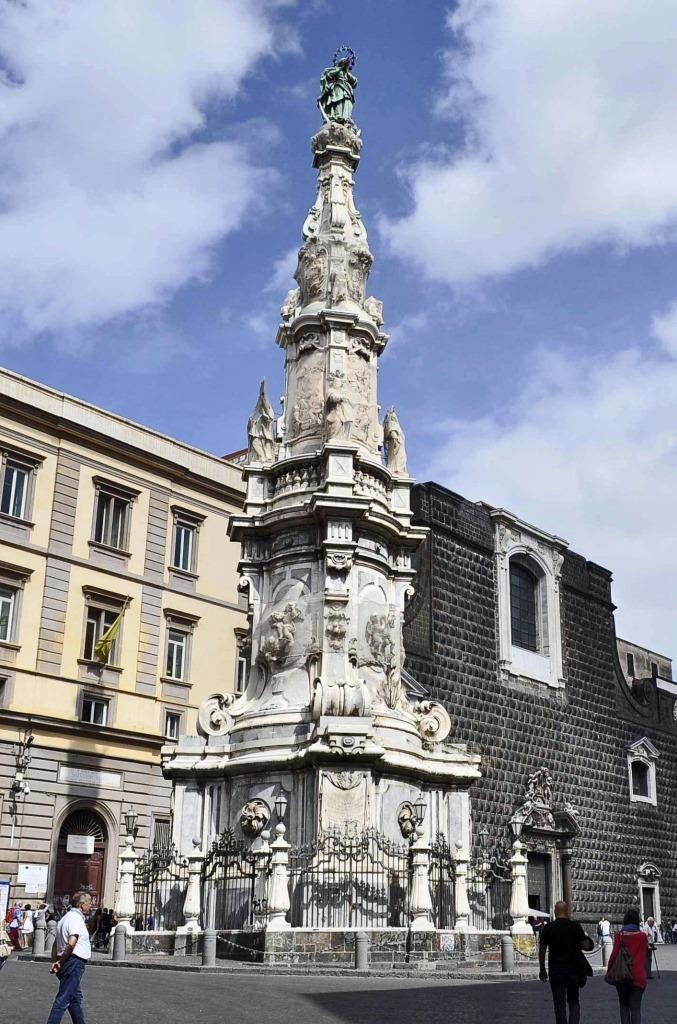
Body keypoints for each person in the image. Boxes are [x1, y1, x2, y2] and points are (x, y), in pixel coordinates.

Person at [539, 899, 594, 1024]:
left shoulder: (548, 928)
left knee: (559, 1004)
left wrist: (542, 969)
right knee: (574, 1002)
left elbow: (542, 950)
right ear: (567, 911)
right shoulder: (575, 926)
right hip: (573, 971)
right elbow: (586, 946)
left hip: (556, 971)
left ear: (555, 912)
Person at [46, 890, 92, 1024]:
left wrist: (55, 961)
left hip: (66, 961)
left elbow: (55, 943)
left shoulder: (64, 918)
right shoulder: (75, 919)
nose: (91, 905)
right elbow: (72, 941)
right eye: (89, 902)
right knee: (63, 999)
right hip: (73, 962)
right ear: (82, 904)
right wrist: (61, 961)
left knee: (75, 999)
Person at [607, 908, 649, 1024]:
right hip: (638, 976)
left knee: (624, 1007)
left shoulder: (619, 935)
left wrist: (610, 970)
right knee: (635, 1009)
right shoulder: (643, 937)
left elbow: (614, 955)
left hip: (622, 975)